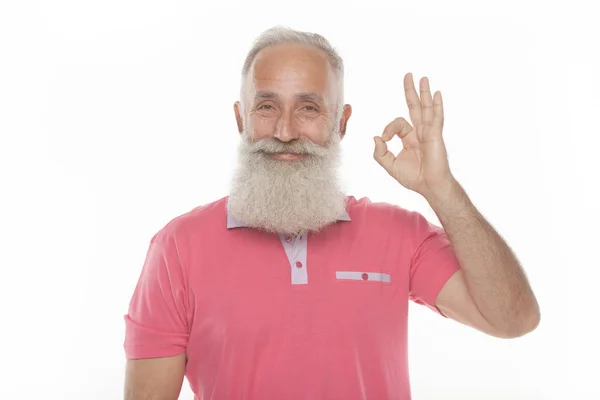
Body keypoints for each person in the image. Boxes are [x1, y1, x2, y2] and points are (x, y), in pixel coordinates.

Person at [123, 26, 540, 400]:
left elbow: (513, 319)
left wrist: (442, 190)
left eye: (308, 108)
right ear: (240, 119)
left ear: (341, 123)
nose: (285, 131)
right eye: (266, 107)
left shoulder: (400, 234)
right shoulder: (178, 247)